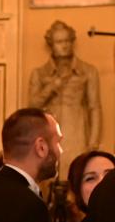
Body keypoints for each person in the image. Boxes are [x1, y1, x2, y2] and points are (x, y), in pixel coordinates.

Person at [28, 20, 101, 176]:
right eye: (59, 41)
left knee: (76, 176)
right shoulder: (39, 73)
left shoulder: (88, 71)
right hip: (48, 134)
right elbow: (32, 107)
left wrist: (93, 142)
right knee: (47, 179)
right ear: (51, 44)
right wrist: (52, 86)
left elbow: (94, 107)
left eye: (67, 40)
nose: (65, 45)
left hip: (77, 133)